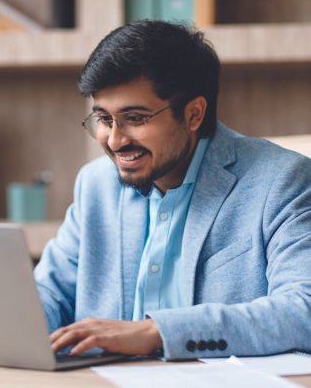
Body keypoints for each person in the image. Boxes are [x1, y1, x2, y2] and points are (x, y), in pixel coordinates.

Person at [34, 20, 311, 359]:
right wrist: (11, 326)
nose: (116, 140)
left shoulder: (282, 181)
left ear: (194, 114)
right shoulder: (96, 185)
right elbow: (48, 292)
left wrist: (156, 333)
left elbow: (303, 310)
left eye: (135, 118)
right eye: (104, 119)